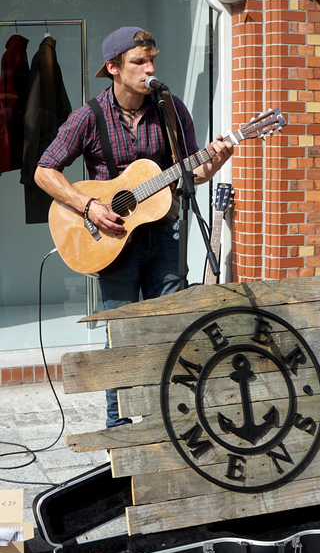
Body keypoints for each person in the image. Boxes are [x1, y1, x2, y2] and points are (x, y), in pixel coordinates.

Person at [34, 26, 234, 428]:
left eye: (152, 60)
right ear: (113, 68)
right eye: (139, 62)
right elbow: (44, 171)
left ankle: (172, 422)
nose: (149, 69)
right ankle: (119, 428)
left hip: (164, 235)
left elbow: (191, 173)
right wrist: (88, 205)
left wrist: (216, 159)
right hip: (112, 240)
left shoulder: (171, 108)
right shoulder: (89, 117)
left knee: (168, 329)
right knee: (121, 335)